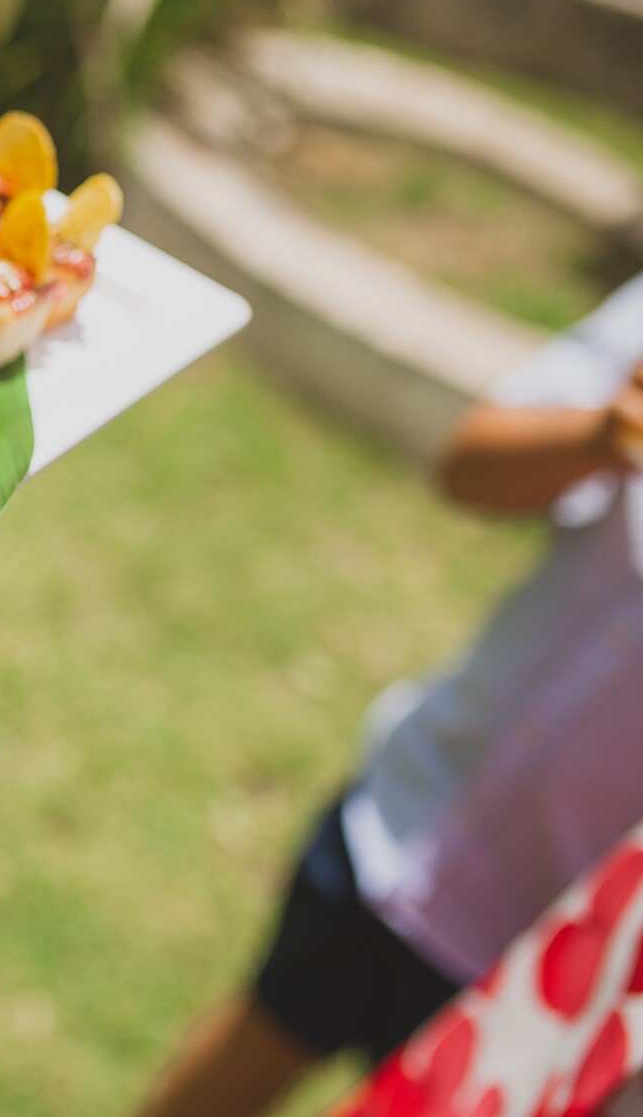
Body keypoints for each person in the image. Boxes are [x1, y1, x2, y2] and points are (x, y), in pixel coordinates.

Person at [135, 275, 643, 1117]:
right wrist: (599, 431)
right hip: (411, 809)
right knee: (252, 1044)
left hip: (553, 966)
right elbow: (470, 460)